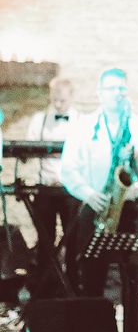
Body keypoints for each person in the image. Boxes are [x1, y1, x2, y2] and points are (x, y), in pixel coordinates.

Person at [60, 68, 138, 332]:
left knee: (133, 281)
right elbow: (68, 168)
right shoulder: (85, 125)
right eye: (111, 89)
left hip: (131, 209)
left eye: (122, 89)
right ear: (100, 92)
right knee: (91, 278)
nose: (117, 94)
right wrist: (86, 192)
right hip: (96, 207)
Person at [25, 77, 81, 296]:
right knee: (45, 239)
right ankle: (44, 290)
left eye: (63, 101)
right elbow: (28, 149)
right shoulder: (39, 120)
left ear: (71, 97)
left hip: (71, 189)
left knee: (73, 240)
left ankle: (74, 288)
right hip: (46, 187)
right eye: (55, 100)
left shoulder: (80, 121)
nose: (58, 104)